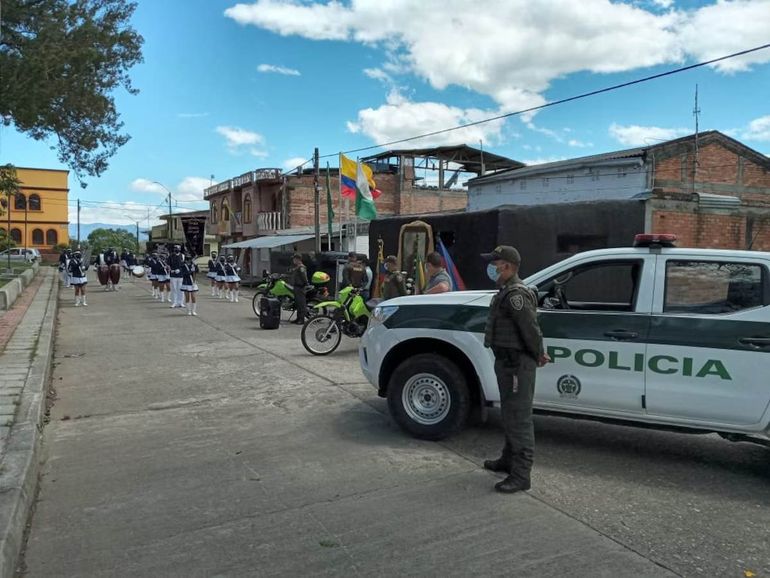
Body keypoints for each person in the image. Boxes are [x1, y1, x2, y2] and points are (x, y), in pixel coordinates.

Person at [481, 245, 550, 494]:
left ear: (507, 266)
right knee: (510, 413)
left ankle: (521, 475)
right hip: (508, 364)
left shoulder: (516, 295)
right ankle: (508, 460)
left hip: (517, 365)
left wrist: (538, 353)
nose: (492, 267)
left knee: (519, 418)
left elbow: (530, 328)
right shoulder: (506, 291)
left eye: (495, 262)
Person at [287, 253, 308, 324]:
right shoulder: (297, 267)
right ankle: (298, 318)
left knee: (301, 304)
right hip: (296, 287)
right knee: (298, 303)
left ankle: (301, 319)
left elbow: (304, 277)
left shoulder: (301, 267)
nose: (293, 260)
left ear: (298, 259)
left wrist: (306, 283)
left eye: (294, 259)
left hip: (300, 287)